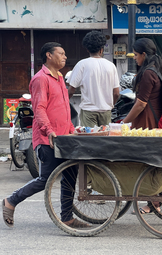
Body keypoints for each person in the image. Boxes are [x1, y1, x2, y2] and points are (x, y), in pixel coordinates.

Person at [2, 42, 87, 228]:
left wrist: (72, 129)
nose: (65, 57)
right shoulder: (41, 79)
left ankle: (67, 217)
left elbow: (64, 109)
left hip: (64, 138)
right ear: (49, 55)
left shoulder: (59, 78)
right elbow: (39, 108)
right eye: (61, 53)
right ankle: (11, 201)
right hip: (47, 138)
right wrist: (49, 130)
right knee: (46, 179)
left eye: (65, 54)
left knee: (71, 175)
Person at [122, 38, 162, 214]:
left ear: (144, 55)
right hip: (149, 120)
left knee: (146, 163)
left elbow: (141, 103)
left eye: (136, 55)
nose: (135, 58)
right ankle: (153, 200)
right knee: (149, 162)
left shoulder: (148, 73)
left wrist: (124, 122)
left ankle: (153, 200)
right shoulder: (156, 69)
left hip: (146, 121)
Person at [67, 31, 120, 128]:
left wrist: (64, 104)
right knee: (104, 139)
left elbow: (71, 90)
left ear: (87, 49)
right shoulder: (111, 66)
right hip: (106, 111)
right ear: (102, 49)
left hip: (88, 112)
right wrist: (110, 105)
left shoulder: (82, 64)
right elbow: (116, 93)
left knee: (89, 140)